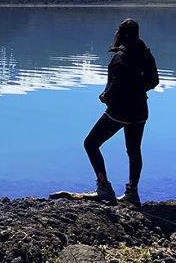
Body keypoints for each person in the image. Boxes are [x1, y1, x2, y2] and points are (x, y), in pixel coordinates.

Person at [52, 18, 159, 206]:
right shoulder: (145, 54)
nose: (115, 33)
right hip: (141, 110)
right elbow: (154, 81)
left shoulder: (121, 56)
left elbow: (117, 85)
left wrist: (105, 97)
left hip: (120, 112)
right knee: (134, 151)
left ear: (123, 34)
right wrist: (137, 90)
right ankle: (132, 192)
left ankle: (104, 188)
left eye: (118, 30)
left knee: (90, 144)